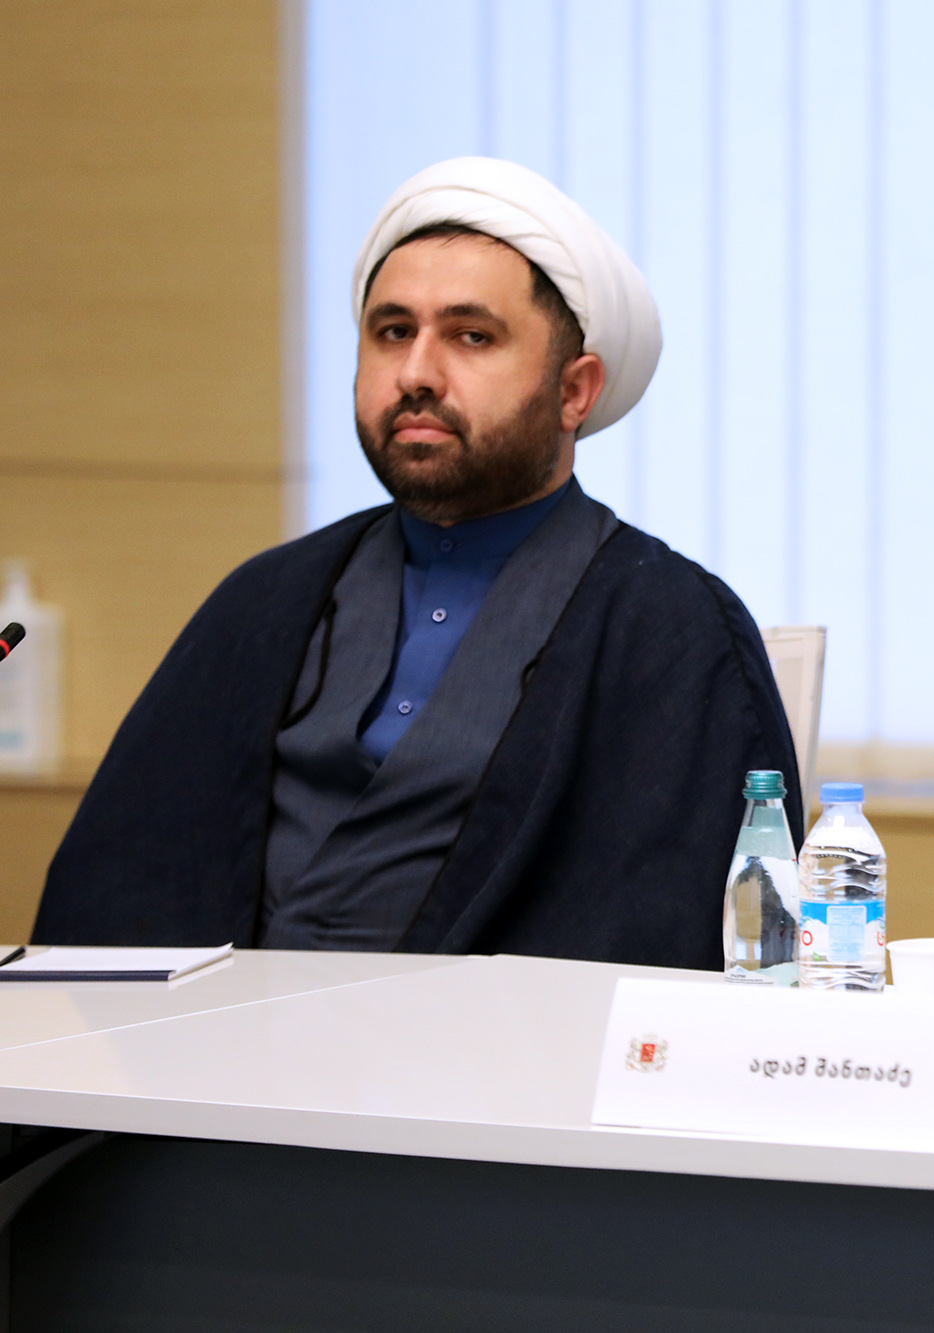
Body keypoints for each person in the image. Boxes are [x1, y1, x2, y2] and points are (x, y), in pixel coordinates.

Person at [34, 157, 801, 966]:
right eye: (393, 332)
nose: (416, 374)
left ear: (574, 391)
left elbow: (667, 942)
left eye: (472, 336)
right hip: (218, 1038)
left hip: (499, 1047)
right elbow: (120, 896)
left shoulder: (672, 629)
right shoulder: (265, 599)